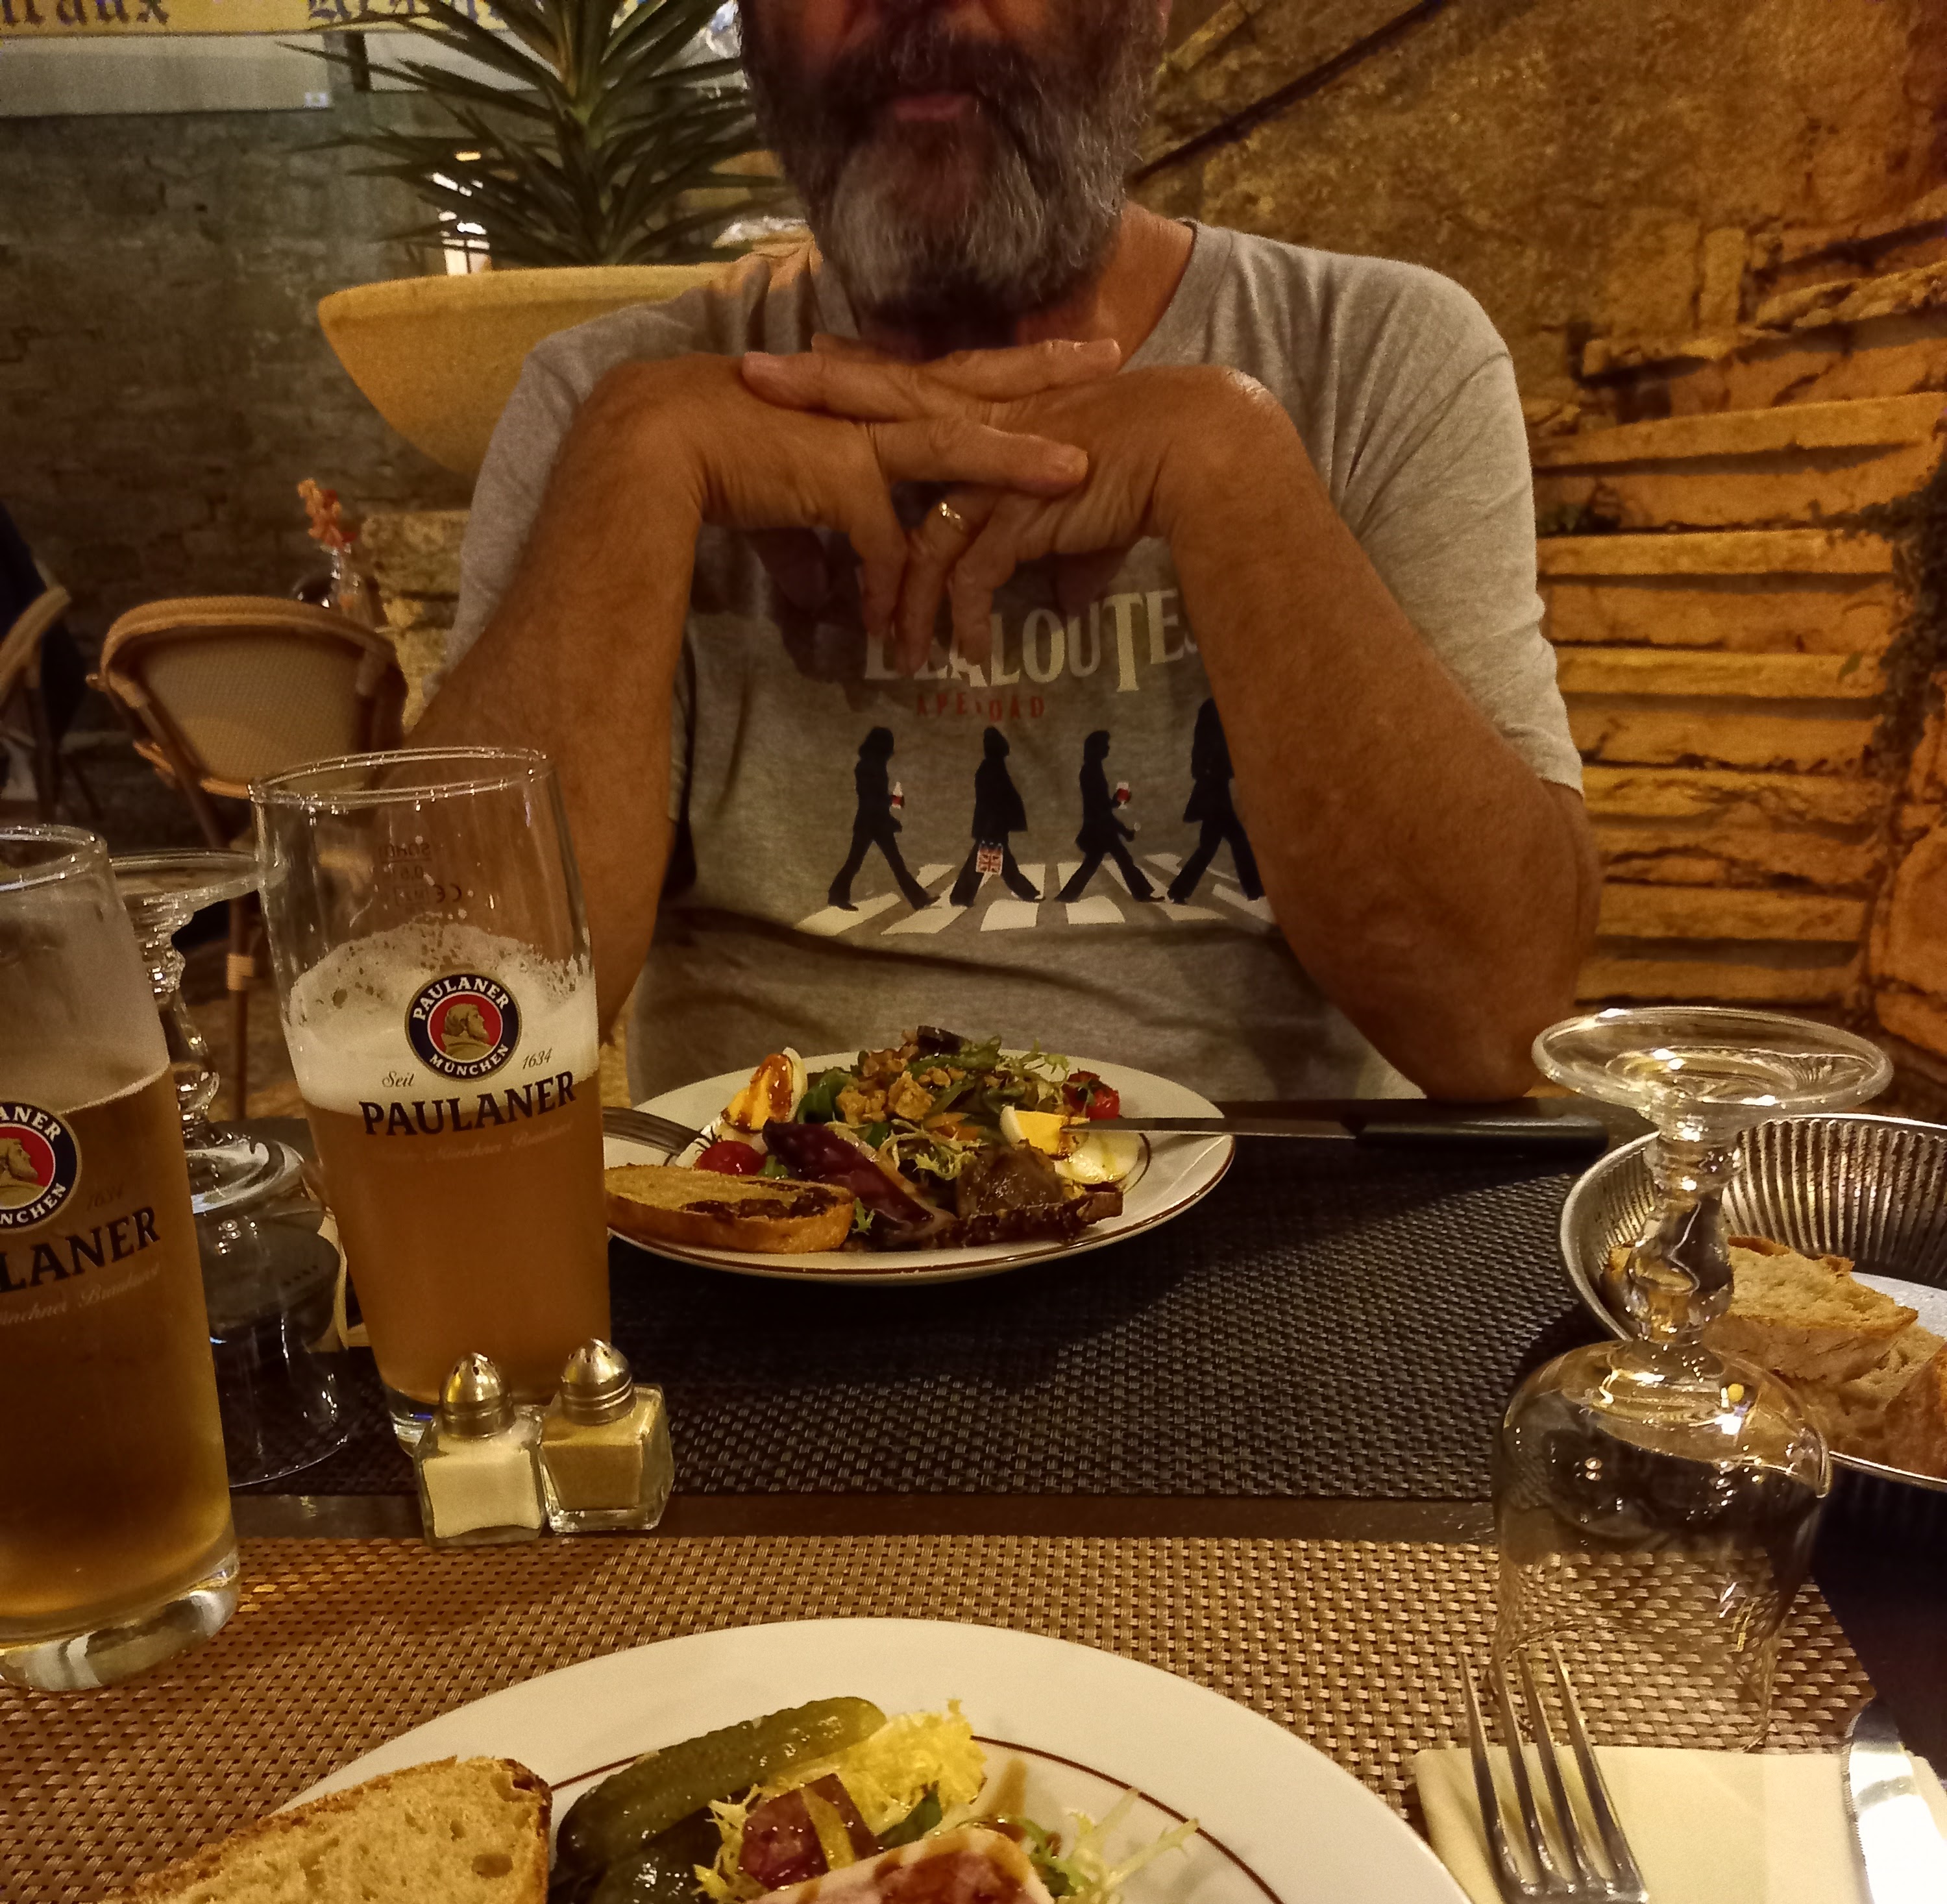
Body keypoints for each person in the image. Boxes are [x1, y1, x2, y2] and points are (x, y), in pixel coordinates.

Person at [424, 0, 1598, 1102]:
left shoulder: (1376, 356)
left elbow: (1492, 1026)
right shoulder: (607, 407)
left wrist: (1232, 473)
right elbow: (449, 1047)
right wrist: (639, 464)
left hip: (1275, 1224)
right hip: (767, 1219)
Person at [1168, 700, 1258, 905]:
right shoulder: (1214, 714)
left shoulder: (1212, 716)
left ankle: (1179, 890)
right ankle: (1254, 890)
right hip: (1214, 790)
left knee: (1212, 846)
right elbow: (1213, 754)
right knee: (1234, 841)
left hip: (1215, 789)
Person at [829, 723, 927, 907]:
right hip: (873, 822)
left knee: (859, 862)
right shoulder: (871, 767)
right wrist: (892, 802)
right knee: (889, 863)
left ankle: (837, 896)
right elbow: (872, 797)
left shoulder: (868, 766)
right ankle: (919, 899)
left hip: (872, 821)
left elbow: (873, 796)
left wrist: (890, 804)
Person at [1060, 729, 1153, 903]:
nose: (1108, 747)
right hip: (1100, 827)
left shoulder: (1092, 769)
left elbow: (1100, 805)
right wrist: (1123, 829)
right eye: (1105, 744)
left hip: (1099, 826)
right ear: (1096, 748)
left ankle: (1066, 896)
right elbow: (1100, 807)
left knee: (1100, 862)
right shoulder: (1092, 771)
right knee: (1120, 859)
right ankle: (1142, 894)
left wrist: (1115, 803)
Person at [949, 724, 1035, 902]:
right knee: (996, 863)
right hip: (993, 825)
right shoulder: (993, 769)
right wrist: (995, 825)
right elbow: (995, 800)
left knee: (991, 862)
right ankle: (1027, 893)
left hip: (991, 825)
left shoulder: (990, 768)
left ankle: (961, 897)